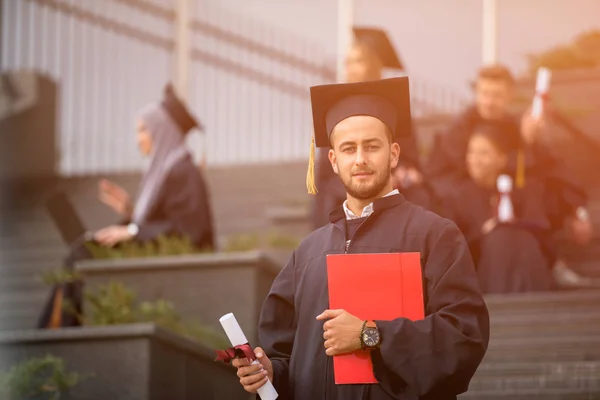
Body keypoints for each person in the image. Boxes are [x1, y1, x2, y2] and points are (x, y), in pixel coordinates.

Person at [233, 77, 489, 399]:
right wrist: (268, 373)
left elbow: (464, 336)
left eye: (372, 146)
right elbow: (285, 356)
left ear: (393, 154)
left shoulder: (434, 236)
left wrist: (370, 334)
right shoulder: (308, 253)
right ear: (333, 161)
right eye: (348, 148)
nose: (360, 159)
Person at [37, 84, 215, 328]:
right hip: (155, 255)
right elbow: (166, 221)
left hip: (173, 268)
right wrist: (131, 213)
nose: (138, 139)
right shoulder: (164, 171)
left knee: (83, 253)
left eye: (143, 130)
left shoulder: (183, 171)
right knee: (83, 249)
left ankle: (61, 332)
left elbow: (191, 231)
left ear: (162, 131)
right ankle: (54, 329)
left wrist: (132, 231)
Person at [426, 64, 593, 284]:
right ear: (476, 93)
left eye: (497, 95)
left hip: (522, 209)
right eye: (484, 93)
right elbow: (441, 178)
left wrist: (577, 211)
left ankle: (550, 262)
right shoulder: (455, 133)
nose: (489, 101)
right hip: (471, 212)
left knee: (538, 189)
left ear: (510, 97)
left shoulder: (520, 128)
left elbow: (552, 168)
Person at [312, 27, 429, 230]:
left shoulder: (394, 108)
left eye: (358, 61)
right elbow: (325, 171)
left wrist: (403, 172)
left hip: (387, 184)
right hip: (344, 185)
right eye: (348, 62)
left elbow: (410, 160)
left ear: (373, 64)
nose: (350, 68)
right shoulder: (336, 109)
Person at [442, 123, 554, 293]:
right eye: (471, 152)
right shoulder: (458, 197)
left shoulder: (521, 192)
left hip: (523, 263)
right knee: (499, 238)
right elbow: (451, 249)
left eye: (483, 153)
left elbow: (541, 233)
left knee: (515, 236)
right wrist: (483, 234)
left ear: (502, 159)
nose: (475, 160)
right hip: (481, 271)